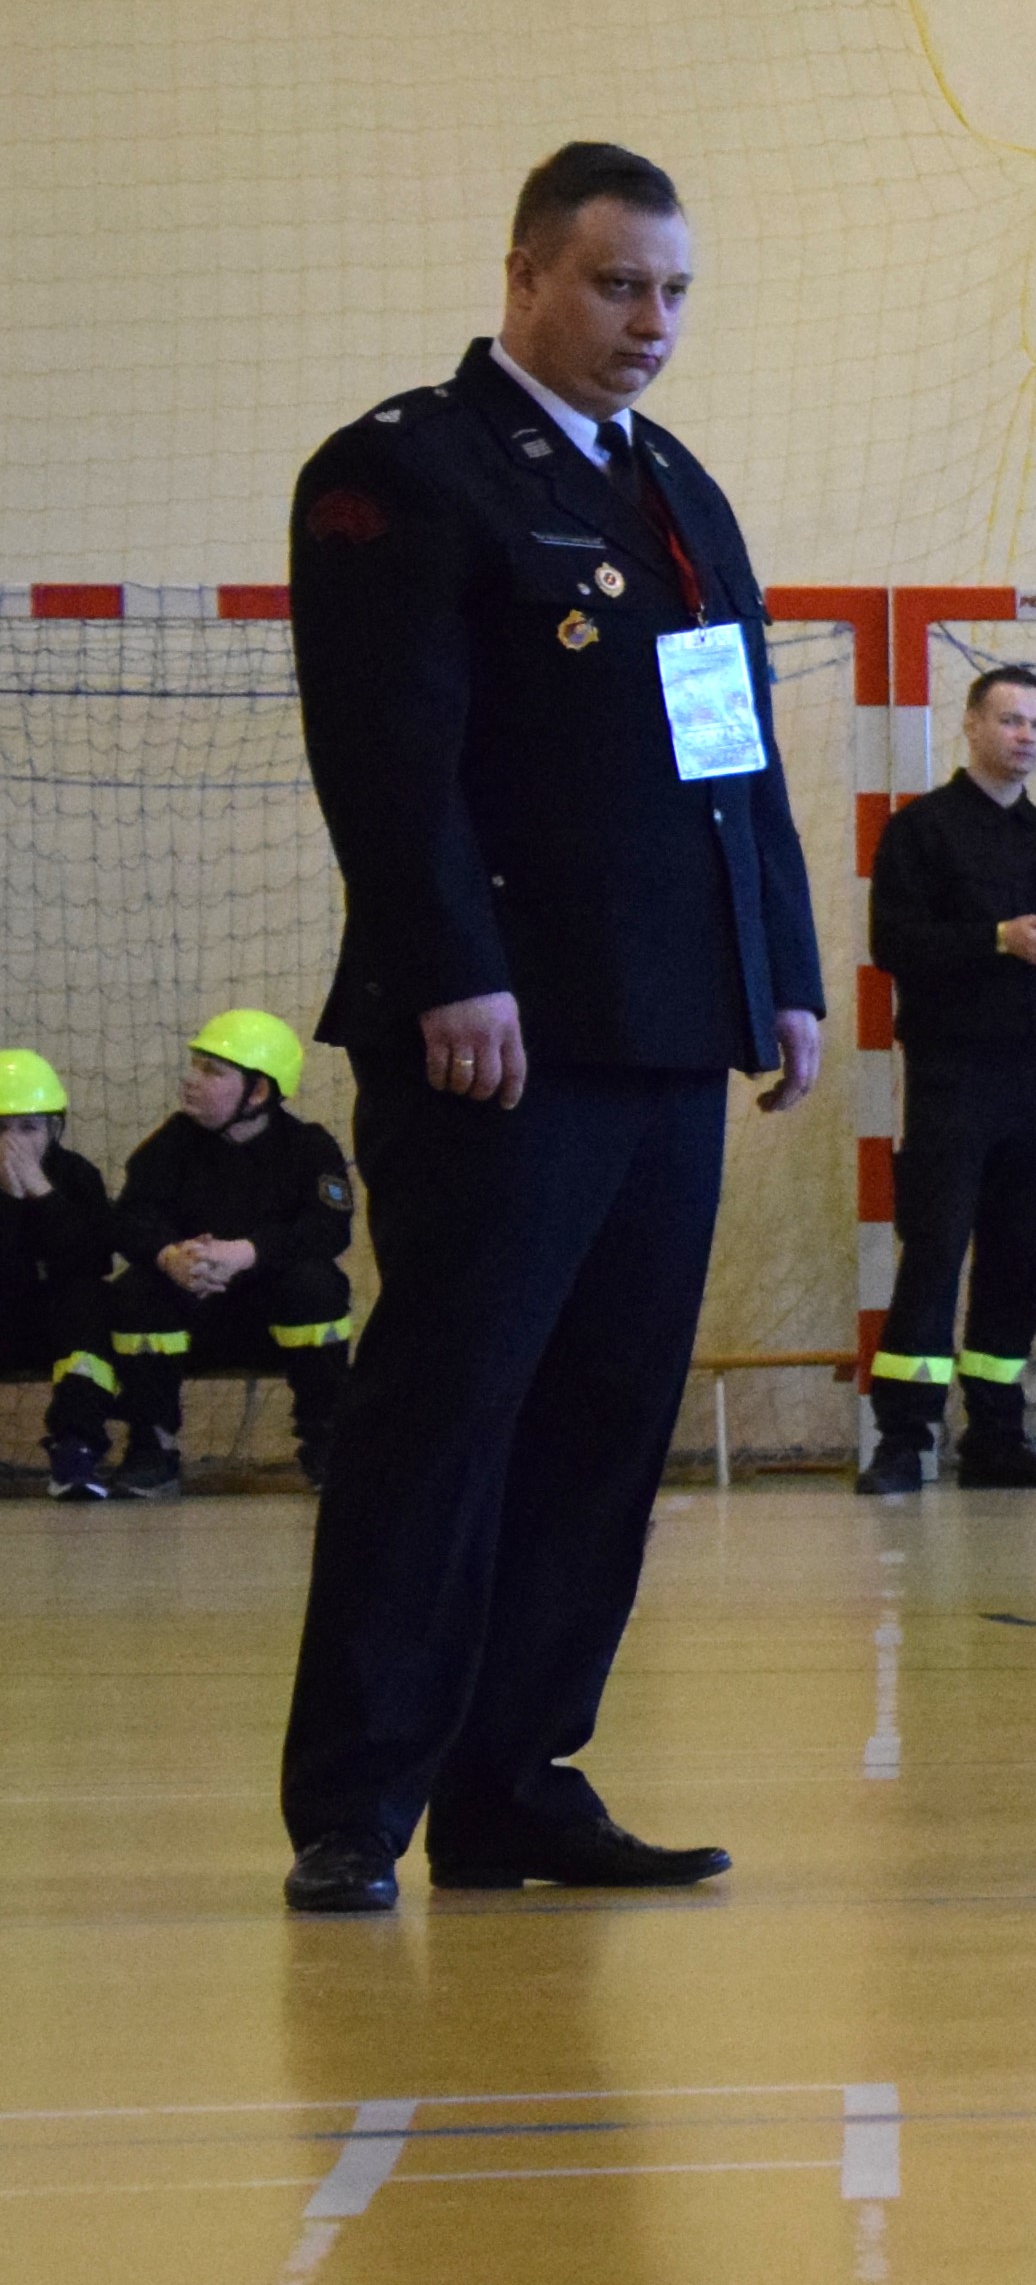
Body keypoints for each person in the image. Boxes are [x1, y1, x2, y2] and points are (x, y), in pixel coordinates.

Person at [277, 141, 818, 1912]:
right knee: (446, 1408)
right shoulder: (404, 470)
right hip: (495, 1035)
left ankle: (515, 1782)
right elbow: (387, 756)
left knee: (604, 1420)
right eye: (615, 283)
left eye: (673, 291)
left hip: (664, 1029)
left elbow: (734, 754)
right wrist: (452, 963)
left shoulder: (676, 489)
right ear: (524, 277)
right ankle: (357, 1801)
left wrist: (781, 968)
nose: (651, 320)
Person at [858, 661, 1036, 1492]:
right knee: (935, 1250)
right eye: (1010, 719)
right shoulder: (921, 830)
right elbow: (894, 944)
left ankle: (996, 1437)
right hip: (954, 1076)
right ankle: (904, 1440)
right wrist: (996, 938)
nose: (1025, 735)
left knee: (1023, 1256)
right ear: (971, 724)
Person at [71, 1012, 363, 1498]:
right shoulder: (173, 1142)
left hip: (273, 1320)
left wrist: (247, 1252)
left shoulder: (308, 1147)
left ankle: (327, 1443)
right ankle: (153, 1448)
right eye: (195, 1065)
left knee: (318, 1284)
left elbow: (328, 1228)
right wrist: (169, 1256)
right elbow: (130, 1216)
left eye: (211, 1071)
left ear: (258, 1091)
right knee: (137, 1290)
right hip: (193, 1317)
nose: (191, 1079)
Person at [6, 1050, 117, 1494]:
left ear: (53, 1129)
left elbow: (93, 1260)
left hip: (56, 1322)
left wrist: (41, 1194)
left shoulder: (76, 1175)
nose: (12, 1143)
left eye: (28, 1128)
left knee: (88, 1300)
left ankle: (76, 1446)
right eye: (0, 1129)